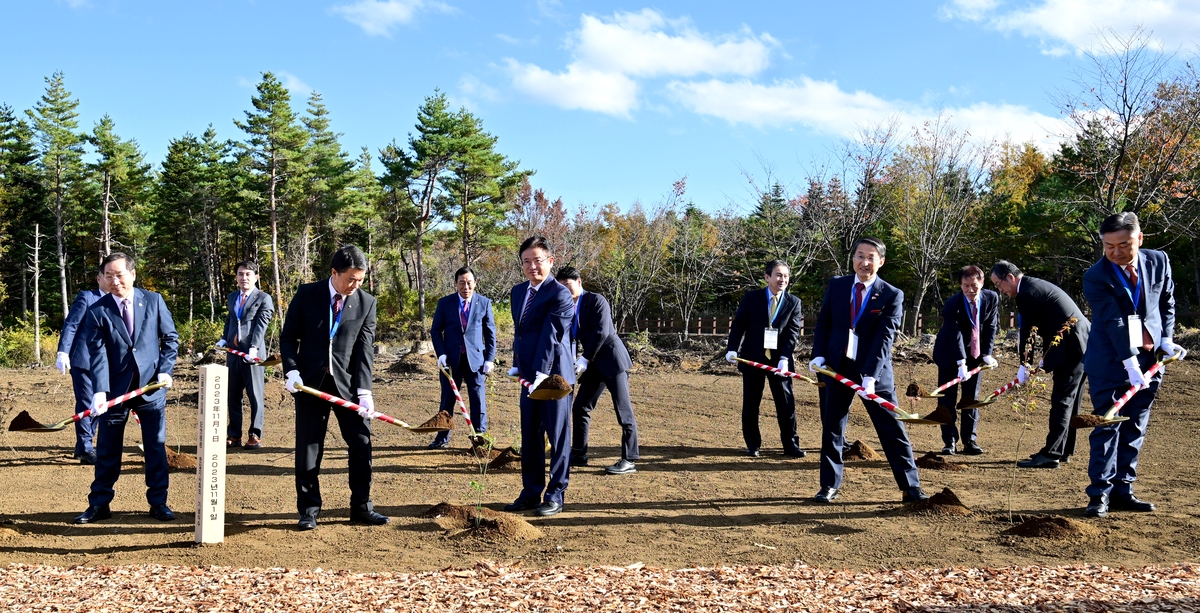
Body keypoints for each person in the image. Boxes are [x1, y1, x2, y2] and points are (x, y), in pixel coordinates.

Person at [1081, 212, 1186, 517]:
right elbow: (1113, 321)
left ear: (1139, 239)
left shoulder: (1158, 261)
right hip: (1110, 361)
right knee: (1107, 425)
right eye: (1108, 246)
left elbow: (1166, 301)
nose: (1116, 252)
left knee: (1136, 425)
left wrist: (1166, 338)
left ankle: (1123, 491)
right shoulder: (1096, 276)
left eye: (1124, 244)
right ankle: (1099, 494)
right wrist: (1129, 363)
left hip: (1151, 358)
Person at [809, 238, 926, 503]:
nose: (864, 262)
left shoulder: (891, 294)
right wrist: (818, 354)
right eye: (860, 256)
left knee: (891, 428)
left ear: (881, 262)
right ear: (853, 259)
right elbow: (824, 322)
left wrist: (870, 375)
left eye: (871, 257)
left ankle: (911, 486)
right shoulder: (837, 285)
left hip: (874, 373)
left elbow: (885, 338)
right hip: (836, 368)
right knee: (832, 428)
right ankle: (829, 486)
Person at [280, 245, 387, 530]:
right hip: (309, 384)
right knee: (309, 447)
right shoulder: (307, 295)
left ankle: (362, 506)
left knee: (362, 443)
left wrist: (365, 391)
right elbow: (289, 337)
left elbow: (364, 351)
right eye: (351, 278)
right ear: (334, 273)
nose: (355, 285)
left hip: (348, 386)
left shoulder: (366, 303)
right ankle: (309, 510)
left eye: (361, 279)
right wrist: (291, 370)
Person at [73, 252, 179, 524]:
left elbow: (170, 339)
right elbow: (96, 353)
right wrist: (99, 391)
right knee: (107, 450)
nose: (114, 280)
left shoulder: (153, 300)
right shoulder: (98, 309)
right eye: (109, 275)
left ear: (132, 274)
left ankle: (159, 503)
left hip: (151, 389)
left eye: (119, 274)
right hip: (114, 392)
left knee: (155, 448)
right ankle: (99, 504)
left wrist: (165, 371)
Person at [990, 260, 1091, 469]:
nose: (1000, 290)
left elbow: (1028, 333)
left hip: (1072, 346)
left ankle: (1052, 454)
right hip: (1081, 343)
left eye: (998, 284)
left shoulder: (1027, 293)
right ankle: (1062, 450)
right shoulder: (1033, 286)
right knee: (1070, 401)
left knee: (1062, 400)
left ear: (1010, 277)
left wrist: (1024, 365)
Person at [504, 236, 575, 517]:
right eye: (526, 261)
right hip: (529, 376)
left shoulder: (560, 294)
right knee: (530, 435)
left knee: (557, 436)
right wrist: (518, 366)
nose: (532, 266)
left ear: (550, 262)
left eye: (538, 260)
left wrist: (541, 374)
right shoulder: (518, 291)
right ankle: (532, 491)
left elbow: (551, 337)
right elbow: (521, 333)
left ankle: (556, 493)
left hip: (554, 378)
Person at [556, 266, 640, 475]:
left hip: (612, 360)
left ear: (579, 282)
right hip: (592, 363)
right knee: (581, 406)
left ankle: (629, 459)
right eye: (561, 286)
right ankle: (578, 453)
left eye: (568, 285)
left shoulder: (596, 300)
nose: (565, 290)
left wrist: (584, 358)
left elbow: (602, 332)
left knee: (623, 410)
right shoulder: (567, 306)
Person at [724, 259, 805, 458]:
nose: (782, 279)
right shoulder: (752, 298)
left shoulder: (793, 302)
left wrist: (785, 358)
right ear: (767, 277)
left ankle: (790, 445)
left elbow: (792, 333)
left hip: (779, 362)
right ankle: (753, 444)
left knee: (786, 405)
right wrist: (732, 349)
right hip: (753, 359)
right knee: (751, 403)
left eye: (786, 276)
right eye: (778, 275)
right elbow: (739, 325)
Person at [931, 265, 999, 455]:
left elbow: (991, 326)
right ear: (960, 285)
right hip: (949, 354)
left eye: (974, 285)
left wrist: (987, 353)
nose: (970, 290)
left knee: (970, 399)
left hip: (975, 355)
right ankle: (949, 441)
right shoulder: (952, 304)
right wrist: (961, 363)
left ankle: (970, 440)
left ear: (982, 283)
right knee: (947, 399)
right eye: (965, 286)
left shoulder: (991, 298)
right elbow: (955, 335)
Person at [428, 266, 496, 449]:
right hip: (451, 361)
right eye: (461, 283)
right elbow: (436, 330)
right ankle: (442, 438)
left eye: (469, 283)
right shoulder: (445, 303)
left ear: (475, 283)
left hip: (476, 361)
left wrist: (489, 358)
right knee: (447, 400)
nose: (465, 287)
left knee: (478, 400)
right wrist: (441, 354)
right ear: (456, 284)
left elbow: (490, 333)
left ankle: (479, 439)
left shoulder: (484, 303)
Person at [216, 261, 275, 450]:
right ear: (236, 277)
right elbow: (230, 320)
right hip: (233, 355)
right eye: (241, 274)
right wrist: (224, 339)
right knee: (233, 395)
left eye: (248, 274)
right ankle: (234, 435)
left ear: (256, 277)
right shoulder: (233, 297)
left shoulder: (264, 298)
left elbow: (261, 325)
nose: (244, 278)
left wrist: (254, 348)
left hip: (252, 356)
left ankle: (255, 434)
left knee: (255, 395)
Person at [56, 271, 108, 465]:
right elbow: (71, 324)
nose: (112, 280)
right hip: (83, 359)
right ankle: (86, 448)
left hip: (107, 363)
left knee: (100, 405)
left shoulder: (118, 300)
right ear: (99, 278)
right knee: (86, 402)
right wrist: (63, 351)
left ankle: (82, 446)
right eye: (108, 276)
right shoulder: (87, 297)